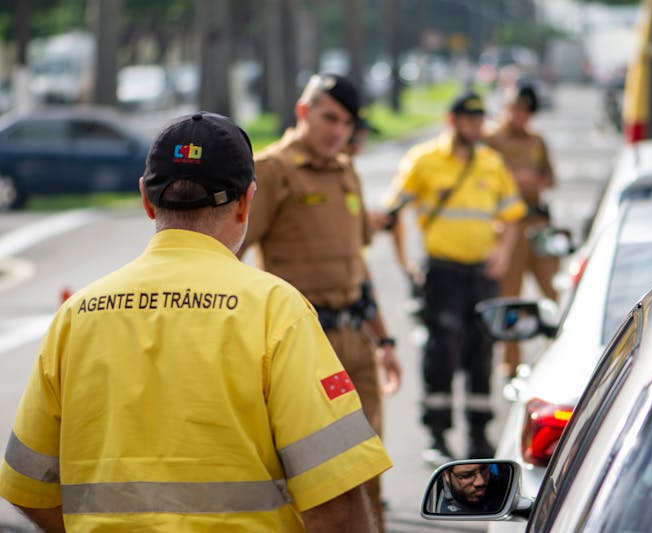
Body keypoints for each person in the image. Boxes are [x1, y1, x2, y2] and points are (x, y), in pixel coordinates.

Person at [0, 112, 392, 532]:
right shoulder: (277, 310)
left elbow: (28, 485)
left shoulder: (76, 316)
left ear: (147, 200)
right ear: (245, 202)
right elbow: (336, 500)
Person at [239, 73, 400, 532]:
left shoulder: (345, 170)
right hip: (303, 346)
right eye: (329, 117)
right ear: (303, 111)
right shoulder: (272, 170)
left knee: (368, 471)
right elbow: (230, 254)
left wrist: (383, 337)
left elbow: (357, 266)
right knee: (313, 483)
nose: (338, 131)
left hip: (356, 342)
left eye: (347, 123)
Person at [384, 91, 527, 464]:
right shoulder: (424, 161)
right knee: (441, 352)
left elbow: (512, 215)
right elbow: (392, 212)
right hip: (443, 272)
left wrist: (503, 254)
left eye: (480, 120)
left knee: (481, 353)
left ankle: (479, 437)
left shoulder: (491, 163)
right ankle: (437, 435)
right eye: (469, 119)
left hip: (480, 275)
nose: (476, 126)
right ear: (452, 120)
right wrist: (406, 263)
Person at [484, 83, 559, 380]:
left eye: (526, 111)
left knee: (552, 290)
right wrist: (515, 180)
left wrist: (534, 180)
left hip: (537, 223)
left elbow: (551, 179)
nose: (520, 115)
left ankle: (558, 351)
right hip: (508, 226)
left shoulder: (537, 141)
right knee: (510, 295)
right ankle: (511, 363)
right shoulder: (491, 140)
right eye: (516, 108)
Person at [437, 463, 509, 514]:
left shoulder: (503, 486)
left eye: (483, 470)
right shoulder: (440, 504)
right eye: (466, 475)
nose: (480, 482)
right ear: (446, 476)